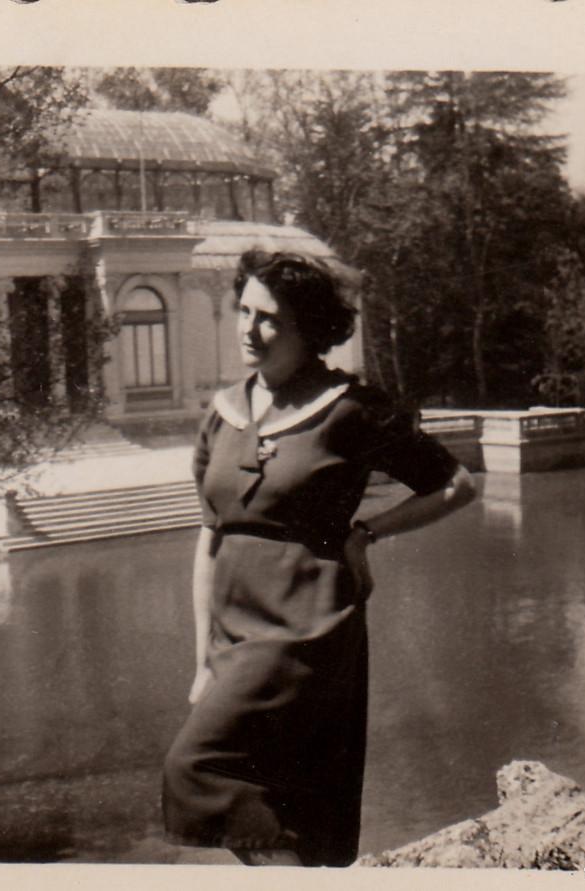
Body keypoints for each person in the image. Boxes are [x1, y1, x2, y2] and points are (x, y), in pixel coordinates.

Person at [162, 249, 476, 867]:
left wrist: (367, 533)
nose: (249, 330)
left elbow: (456, 485)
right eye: (244, 311)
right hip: (234, 636)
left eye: (270, 319)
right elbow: (210, 537)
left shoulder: (351, 409)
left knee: (192, 767)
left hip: (305, 629)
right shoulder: (222, 413)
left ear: (307, 328)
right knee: (285, 800)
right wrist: (203, 661)